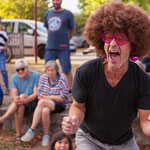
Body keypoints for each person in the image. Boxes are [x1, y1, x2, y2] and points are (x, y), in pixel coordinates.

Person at [62, 1, 150, 150]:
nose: (113, 43)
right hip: (89, 139)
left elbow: (145, 121)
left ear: (133, 46)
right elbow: (78, 106)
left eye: (120, 38)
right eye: (108, 37)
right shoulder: (86, 72)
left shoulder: (142, 80)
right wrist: (74, 120)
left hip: (124, 143)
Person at [21, 60, 69, 147]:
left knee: (42, 102)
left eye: (52, 70)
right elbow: (39, 95)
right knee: (45, 111)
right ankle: (46, 135)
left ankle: (32, 129)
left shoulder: (62, 78)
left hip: (59, 105)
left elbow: (61, 98)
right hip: (46, 104)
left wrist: (47, 96)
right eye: (48, 70)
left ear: (56, 70)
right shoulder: (43, 78)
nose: (50, 72)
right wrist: (53, 96)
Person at [0, 59, 40, 144]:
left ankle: (3, 118)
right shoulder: (14, 77)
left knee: (21, 96)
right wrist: (16, 98)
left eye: (22, 69)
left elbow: (35, 94)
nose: (20, 71)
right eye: (17, 70)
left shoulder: (36, 75)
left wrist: (24, 99)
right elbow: (13, 94)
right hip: (21, 104)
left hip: (33, 102)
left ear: (27, 67)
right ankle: (18, 135)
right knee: (20, 106)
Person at [44, 0, 76, 93]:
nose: (55, 2)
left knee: (66, 69)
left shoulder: (68, 14)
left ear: (61, 1)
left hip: (63, 47)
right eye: (54, 0)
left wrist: (66, 39)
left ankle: (71, 90)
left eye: (57, 0)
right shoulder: (48, 13)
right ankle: (50, 89)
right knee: (49, 69)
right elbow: (47, 28)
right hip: (50, 47)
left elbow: (72, 29)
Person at [0, 16, 9, 95]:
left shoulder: (3, 31)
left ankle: (7, 88)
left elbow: (6, 40)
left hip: (1, 53)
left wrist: (5, 47)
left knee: (3, 70)